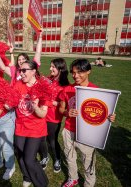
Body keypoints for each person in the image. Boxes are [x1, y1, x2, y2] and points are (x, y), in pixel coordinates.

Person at [59, 58, 116, 187]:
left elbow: (103, 111)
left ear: (88, 71)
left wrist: (109, 117)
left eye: (80, 72)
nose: (75, 76)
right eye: (73, 72)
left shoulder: (96, 91)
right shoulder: (67, 89)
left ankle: (89, 184)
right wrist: (67, 113)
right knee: (70, 157)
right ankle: (73, 178)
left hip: (87, 133)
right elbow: (61, 108)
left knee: (88, 160)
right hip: (69, 130)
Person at [14, 60, 49, 187]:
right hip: (20, 126)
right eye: (20, 70)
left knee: (29, 159)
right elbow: (11, 100)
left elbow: (43, 114)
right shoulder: (18, 85)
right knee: (20, 155)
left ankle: (42, 183)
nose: (21, 73)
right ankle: (27, 176)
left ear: (33, 71)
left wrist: (36, 107)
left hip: (36, 128)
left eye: (24, 70)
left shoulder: (43, 87)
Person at [38, 58, 70, 172]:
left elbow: (65, 106)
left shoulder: (65, 86)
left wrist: (51, 102)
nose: (50, 68)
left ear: (60, 69)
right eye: (50, 66)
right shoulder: (49, 79)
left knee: (52, 140)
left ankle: (57, 159)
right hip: (42, 114)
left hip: (54, 118)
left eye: (53, 67)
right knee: (42, 138)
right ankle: (45, 157)